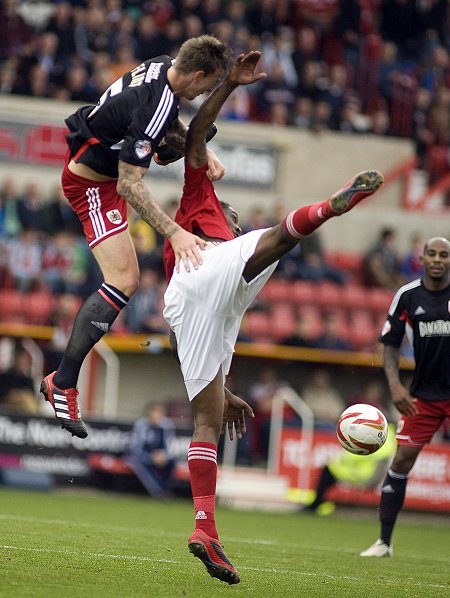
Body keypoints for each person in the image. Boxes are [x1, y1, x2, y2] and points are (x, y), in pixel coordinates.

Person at [161, 50, 384, 584]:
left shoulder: (212, 251)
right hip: (206, 266)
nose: (231, 213)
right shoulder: (201, 201)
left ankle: (204, 529)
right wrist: (230, 85)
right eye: (230, 212)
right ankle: (330, 208)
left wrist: (224, 385)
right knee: (276, 242)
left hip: (191, 301)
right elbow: (197, 137)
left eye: (230, 214)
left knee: (208, 421)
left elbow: (206, 329)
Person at [39, 35, 234, 439]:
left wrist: (200, 148)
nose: (202, 92)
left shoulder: (164, 63)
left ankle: (62, 380)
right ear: (197, 74)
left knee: (204, 132)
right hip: (94, 185)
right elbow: (129, 186)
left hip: (105, 160)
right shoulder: (156, 103)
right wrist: (176, 233)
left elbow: (165, 118)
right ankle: (63, 381)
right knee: (123, 280)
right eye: (207, 85)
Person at [361, 237, 450, 557]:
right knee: (400, 461)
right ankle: (384, 542)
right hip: (421, 397)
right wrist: (395, 385)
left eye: (444, 254)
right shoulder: (408, 296)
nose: (438, 259)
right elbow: (390, 344)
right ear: (422, 258)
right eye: (432, 254)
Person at [302, 423, 396, 515]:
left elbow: (361, 454)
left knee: (330, 468)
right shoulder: (388, 438)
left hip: (364, 474)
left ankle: (316, 503)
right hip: (365, 471)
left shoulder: (379, 437)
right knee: (331, 469)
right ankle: (319, 502)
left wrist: (342, 459)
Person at [124, 402, 176, 498]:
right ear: (149, 414)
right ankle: (158, 491)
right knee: (139, 463)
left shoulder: (167, 426)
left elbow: (170, 447)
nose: (157, 416)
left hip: (161, 457)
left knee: (172, 462)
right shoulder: (141, 425)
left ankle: (166, 488)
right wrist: (151, 457)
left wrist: (163, 456)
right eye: (154, 413)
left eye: (159, 413)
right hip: (143, 456)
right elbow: (136, 448)